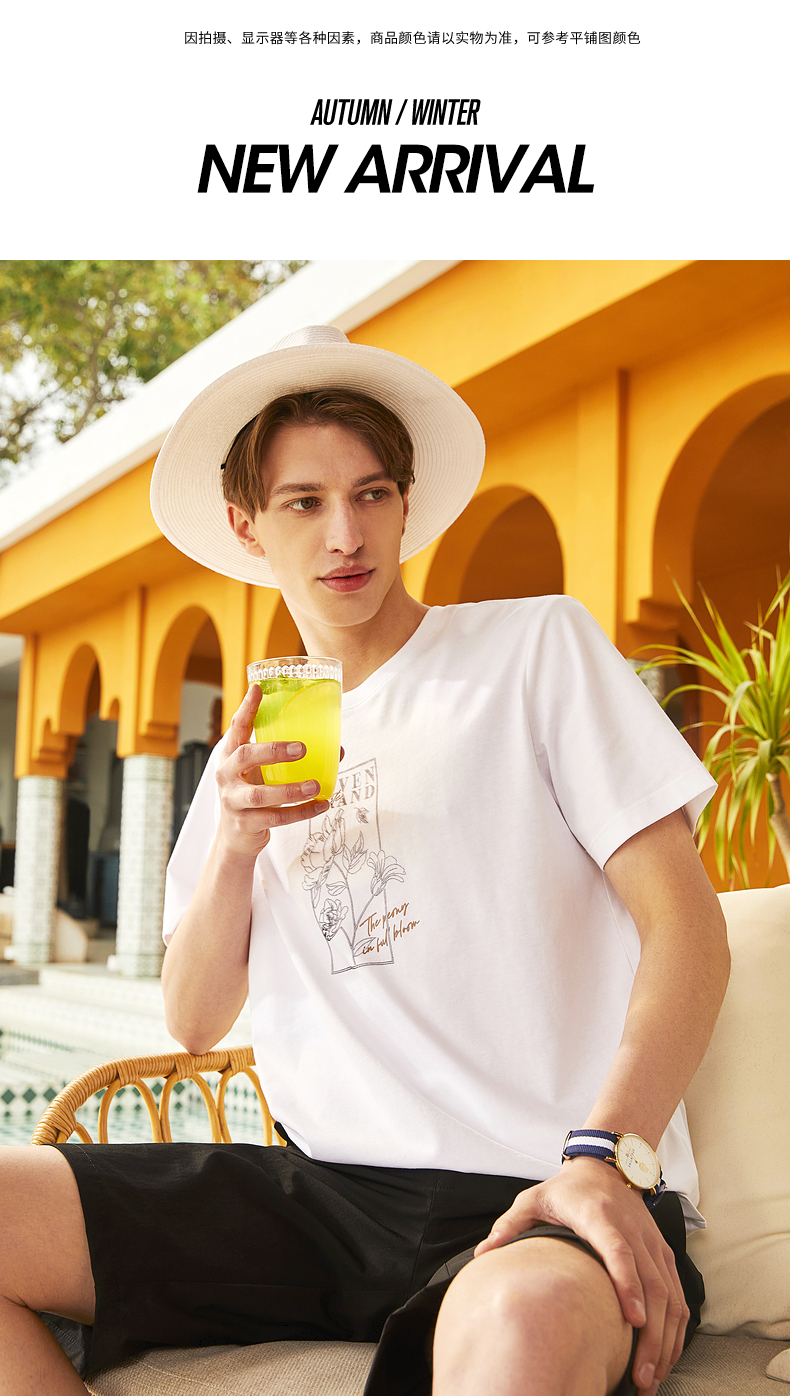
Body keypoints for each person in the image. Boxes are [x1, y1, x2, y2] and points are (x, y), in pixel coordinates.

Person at [0, 325, 729, 1396]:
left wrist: (606, 1159)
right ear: (247, 525)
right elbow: (194, 1019)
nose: (345, 534)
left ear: (403, 503)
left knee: (521, 1325)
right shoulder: (245, 759)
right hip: (323, 1198)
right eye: (303, 502)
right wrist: (238, 843)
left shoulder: (534, 649)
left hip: (541, 1188)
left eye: (371, 494)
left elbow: (689, 929)